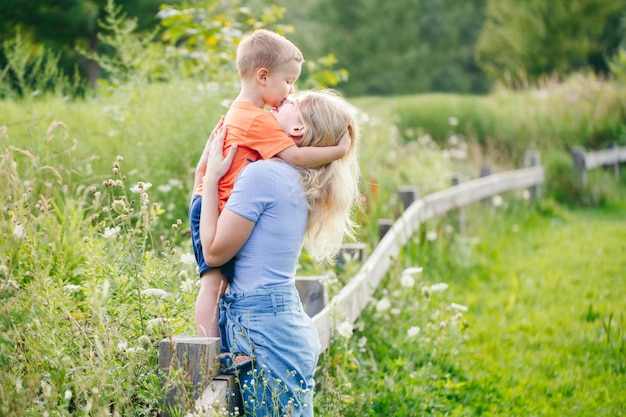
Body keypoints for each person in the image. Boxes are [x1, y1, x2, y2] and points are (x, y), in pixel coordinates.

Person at [198, 89, 360, 416]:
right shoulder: (295, 177)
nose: (280, 100)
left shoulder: (264, 175)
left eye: (291, 103)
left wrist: (209, 178)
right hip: (273, 319)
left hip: (264, 325)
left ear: (298, 130)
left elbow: (213, 253)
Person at [189, 29, 350, 342]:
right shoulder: (257, 120)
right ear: (263, 76)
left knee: (216, 284)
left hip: (209, 201)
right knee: (212, 284)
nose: (291, 91)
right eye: (288, 81)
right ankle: (208, 350)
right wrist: (338, 151)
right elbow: (296, 156)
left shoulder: (241, 113)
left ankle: (216, 345)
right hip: (213, 205)